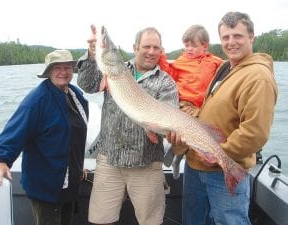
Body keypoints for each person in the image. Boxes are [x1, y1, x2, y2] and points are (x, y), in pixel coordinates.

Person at [166, 12, 278, 225]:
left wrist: (217, 154)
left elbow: (254, 134)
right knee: (194, 221)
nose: (231, 42)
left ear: (252, 37)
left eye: (237, 36)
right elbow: (212, 112)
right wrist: (189, 125)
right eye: (226, 37)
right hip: (196, 167)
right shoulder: (226, 68)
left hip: (222, 169)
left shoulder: (258, 77)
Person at [77, 25, 179, 225]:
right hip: (109, 161)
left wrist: (170, 132)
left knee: (150, 221)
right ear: (135, 47)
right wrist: (92, 53)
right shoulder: (116, 71)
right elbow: (87, 84)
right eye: (146, 46)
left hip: (146, 164)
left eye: (156, 48)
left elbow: (168, 118)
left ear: (161, 51)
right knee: (100, 220)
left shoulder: (166, 83)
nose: (151, 52)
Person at [0, 49, 89, 225]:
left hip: (70, 182)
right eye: (57, 68)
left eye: (67, 67)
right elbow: (13, 131)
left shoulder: (75, 95)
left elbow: (74, 137)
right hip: (46, 186)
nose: (63, 72)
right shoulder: (37, 100)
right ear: (48, 71)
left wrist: (78, 166)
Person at [159, 25, 223, 179]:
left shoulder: (215, 62)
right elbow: (169, 73)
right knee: (179, 135)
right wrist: (162, 56)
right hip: (181, 104)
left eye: (194, 46)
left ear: (205, 46)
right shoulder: (182, 60)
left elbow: (227, 75)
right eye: (186, 45)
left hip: (199, 107)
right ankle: (173, 157)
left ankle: (176, 158)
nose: (189, 49)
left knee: (194, 136)